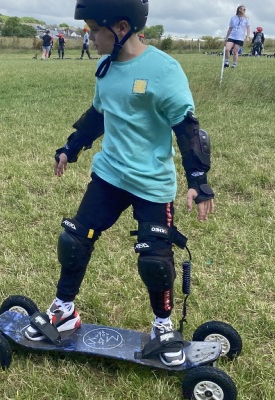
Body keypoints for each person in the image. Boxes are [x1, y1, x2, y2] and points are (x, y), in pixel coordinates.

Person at [25, 0, 215, 367]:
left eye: (96, 29)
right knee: (74, 240)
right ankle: (63, 310)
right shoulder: (106, 67)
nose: (91, 37)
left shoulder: (164, 70)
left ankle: (163, 328)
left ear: (122, 28)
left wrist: (198, 180)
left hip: (152, 182)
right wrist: (71, 148)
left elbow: (187, 128)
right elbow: (99, 114)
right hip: (109, 175)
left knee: (155, 260)